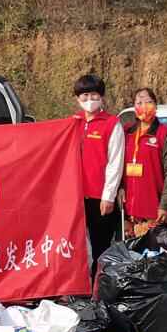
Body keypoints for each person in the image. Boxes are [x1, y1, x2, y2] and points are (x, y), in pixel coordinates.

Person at [72, 74, 124, 264]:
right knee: (75, 246)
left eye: (94, 95)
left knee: (100, 247)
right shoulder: (72, 122)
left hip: (99, 197)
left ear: (102, 97)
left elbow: (115, 162)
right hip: (74, 196)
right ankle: (78, 289)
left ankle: (99, 289)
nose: (89, 100)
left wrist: (108, 196)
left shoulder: (111, 124)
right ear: (77, 99)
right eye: (84, 96)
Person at [119, 88, 167, 240]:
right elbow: (116, 164)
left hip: (155, 208)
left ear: (156, 105)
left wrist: (165, 205)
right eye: (139, 102)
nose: (144, 106)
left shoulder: (164, 133)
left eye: (148, 102)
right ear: (134, 107)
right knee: (131, 257)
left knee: (154, 258)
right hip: (130, 209)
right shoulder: (126, 133)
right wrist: (120, 187)